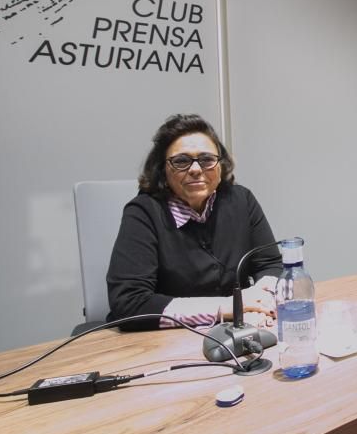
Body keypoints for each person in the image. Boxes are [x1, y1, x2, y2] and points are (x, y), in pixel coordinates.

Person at [107, 113, 281, 331]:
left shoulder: (241, 200)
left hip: (239, 329)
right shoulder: (143, 212)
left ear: (220, 165)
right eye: (181, 161)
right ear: (163, 169)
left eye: (207, 159)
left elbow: (270, 265)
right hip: (165, 340)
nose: (196, 169)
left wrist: (262, 301)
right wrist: (229, 306)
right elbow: (129, 302)